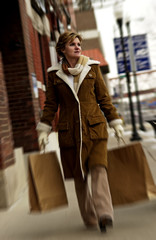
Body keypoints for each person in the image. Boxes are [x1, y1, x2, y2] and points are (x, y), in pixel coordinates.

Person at [36, 31, 124, 233]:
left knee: (99, 169)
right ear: (62, 49)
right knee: (80, 177)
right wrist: (44, 129)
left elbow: (104, 99)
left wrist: (115, 122)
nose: (77, 46)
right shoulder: (54, 74)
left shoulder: (92, 68)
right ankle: (90, 217)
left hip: (95, 129)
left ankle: (104, 214)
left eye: (78, 43)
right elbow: (50, 105)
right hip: (70, 133)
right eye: (72, 44)